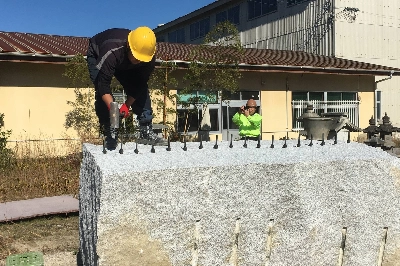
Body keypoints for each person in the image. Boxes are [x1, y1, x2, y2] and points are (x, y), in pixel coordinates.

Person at [86, 26, 167, 149]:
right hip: (97, 53)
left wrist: (126, 105)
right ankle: (109, 132)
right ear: (129, 46)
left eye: (142, 59)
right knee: (100, 88)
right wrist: (114, 111)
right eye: (137, 57)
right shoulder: (112, 51)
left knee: (142, 89)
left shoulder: (148, 57)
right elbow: (103, 85)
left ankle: (145, 130)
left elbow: (140, 84)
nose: (139, 61)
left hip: (123, 60)